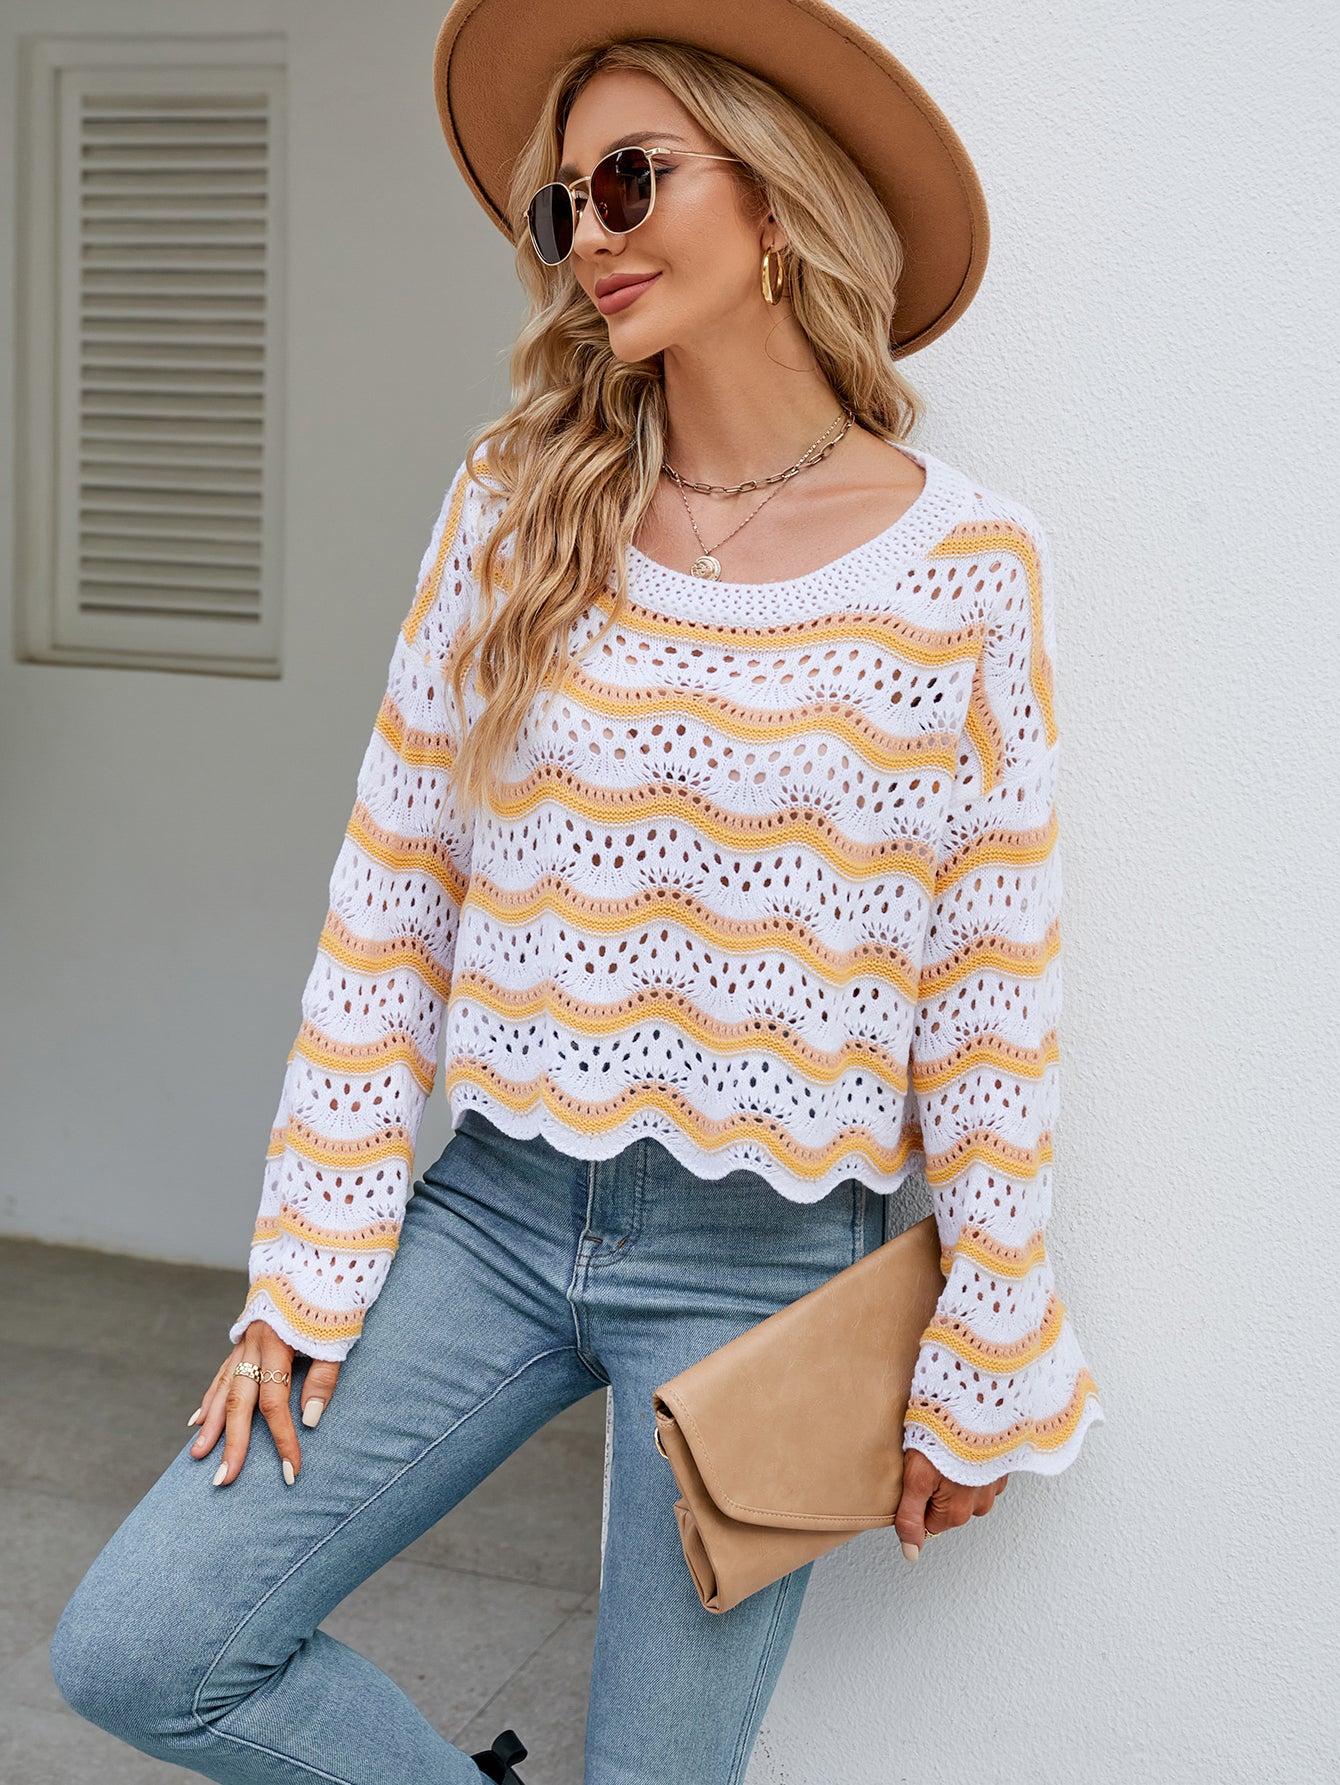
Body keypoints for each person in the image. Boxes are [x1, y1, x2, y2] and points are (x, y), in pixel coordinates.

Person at [49, 3, 1105, 1780]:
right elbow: (394, 898)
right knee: (144, 1647)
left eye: (631, 180)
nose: (588, 234)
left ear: (775, 196)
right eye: (564, 206)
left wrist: (984, 1333)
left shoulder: (966, 566)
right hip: (498, 1212)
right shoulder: (515, 503)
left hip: (772, 1272)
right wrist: (302, 1272)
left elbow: (991, 982)